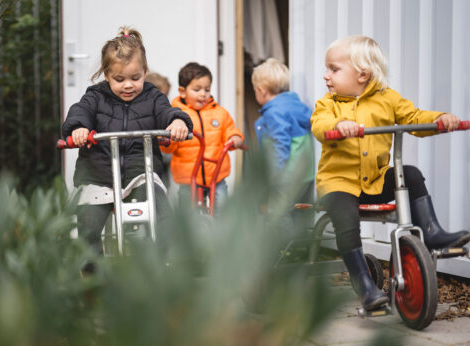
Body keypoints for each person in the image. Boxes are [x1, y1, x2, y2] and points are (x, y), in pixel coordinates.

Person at [311, 35, 470, 311]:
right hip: (338, 184)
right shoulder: (329, 104)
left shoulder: (388, 99)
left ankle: (431, 232)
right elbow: (320, 125)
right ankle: (365, 286)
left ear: (363, 74)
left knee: (410, 173)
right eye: (327, 69)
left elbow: (413, 117)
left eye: (333, 69)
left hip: (374, 180)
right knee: (347, 221)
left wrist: (440, 119)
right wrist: (340, 124)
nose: (326, 76)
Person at [62, 26, 192, 265]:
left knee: (162, 216)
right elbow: (80, 111)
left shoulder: (153, 96)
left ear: (145, 71)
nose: (128, 85)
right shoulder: (95, 96)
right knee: (88, 227)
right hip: (97, 175)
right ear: (107, 75)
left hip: (139, 172)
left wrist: (176, 122)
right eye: (119, 79)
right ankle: (92, 278)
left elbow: (167, 111)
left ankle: (159, 266)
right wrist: (79, 128)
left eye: (135, 78)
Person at [161, 62, 244, 214]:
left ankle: (222, 234)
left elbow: (229, 129)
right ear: (183, 91)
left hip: (215, 175)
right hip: (188, 178)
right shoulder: (176, 115)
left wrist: (235, 137)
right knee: (188, 215)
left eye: (207, 89)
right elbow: (168, 147)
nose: (203, 94)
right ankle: (188, 236)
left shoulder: (219, 113)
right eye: (197, 89)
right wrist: (169, 138)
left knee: (222, 209)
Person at [251, 58, 315, 229]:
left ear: (262, 91)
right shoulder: (296, 104)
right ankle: (302, 248)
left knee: (280, 213)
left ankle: (286, 251)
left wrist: (273, 177)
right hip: (305, 175)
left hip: (286, 176)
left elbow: (279, 144)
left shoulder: (274, 112)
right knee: (299, 213)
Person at [146, 71, 173, 187]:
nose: (164, 99)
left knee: (164, 185)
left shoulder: (166, 111)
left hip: (164, 158)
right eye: (162, 95)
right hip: (148, 158)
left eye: (166, 95)